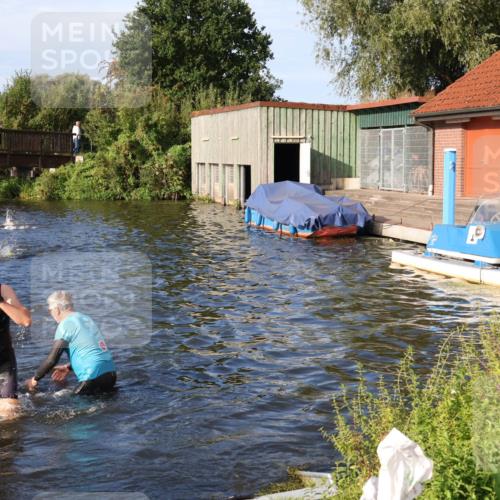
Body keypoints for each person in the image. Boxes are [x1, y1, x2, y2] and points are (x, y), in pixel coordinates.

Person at [26, 291, 116, 396]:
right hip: (110, 374)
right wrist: (68, 367)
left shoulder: (65, 325)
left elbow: (52, 360)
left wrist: (34, 379)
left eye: (50, 310)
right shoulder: (86, 318)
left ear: (57, 309)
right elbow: (93, 351)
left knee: (76, 408)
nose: (50, 313)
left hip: (92, 377)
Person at [0, 283, 32, 419]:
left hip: (3, 361)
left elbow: (25, 320)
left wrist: (1, 303)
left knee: (10, 416)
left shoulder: (3, 290)